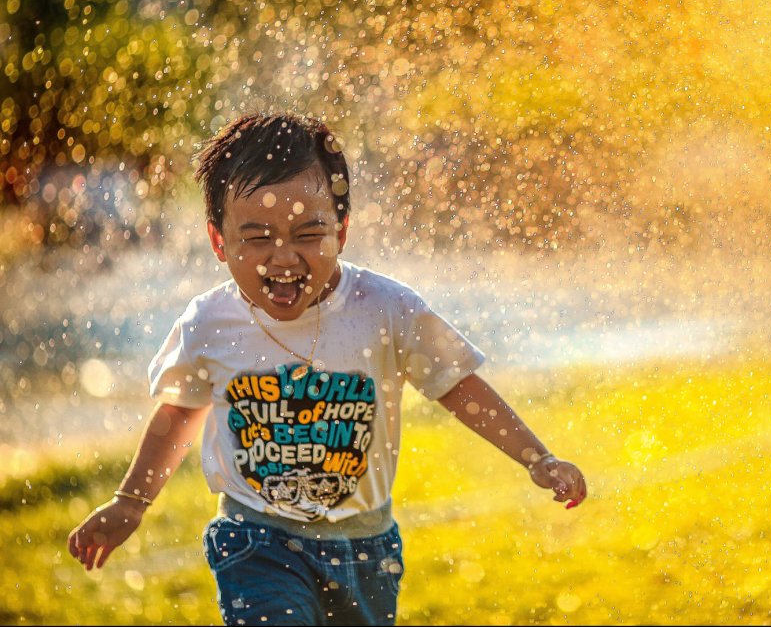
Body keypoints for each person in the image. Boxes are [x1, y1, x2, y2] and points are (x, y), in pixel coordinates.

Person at [67, 111, 587, 625]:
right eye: (257, 237)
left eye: (307, 233)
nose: (284, 257)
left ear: (341, 230)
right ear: (219, 242)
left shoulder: (385, 309)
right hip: (256, 539)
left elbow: (458, 386)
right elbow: (179, 413)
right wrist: (131, 501)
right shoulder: (210, 322)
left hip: (365, 547)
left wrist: (536, 457)